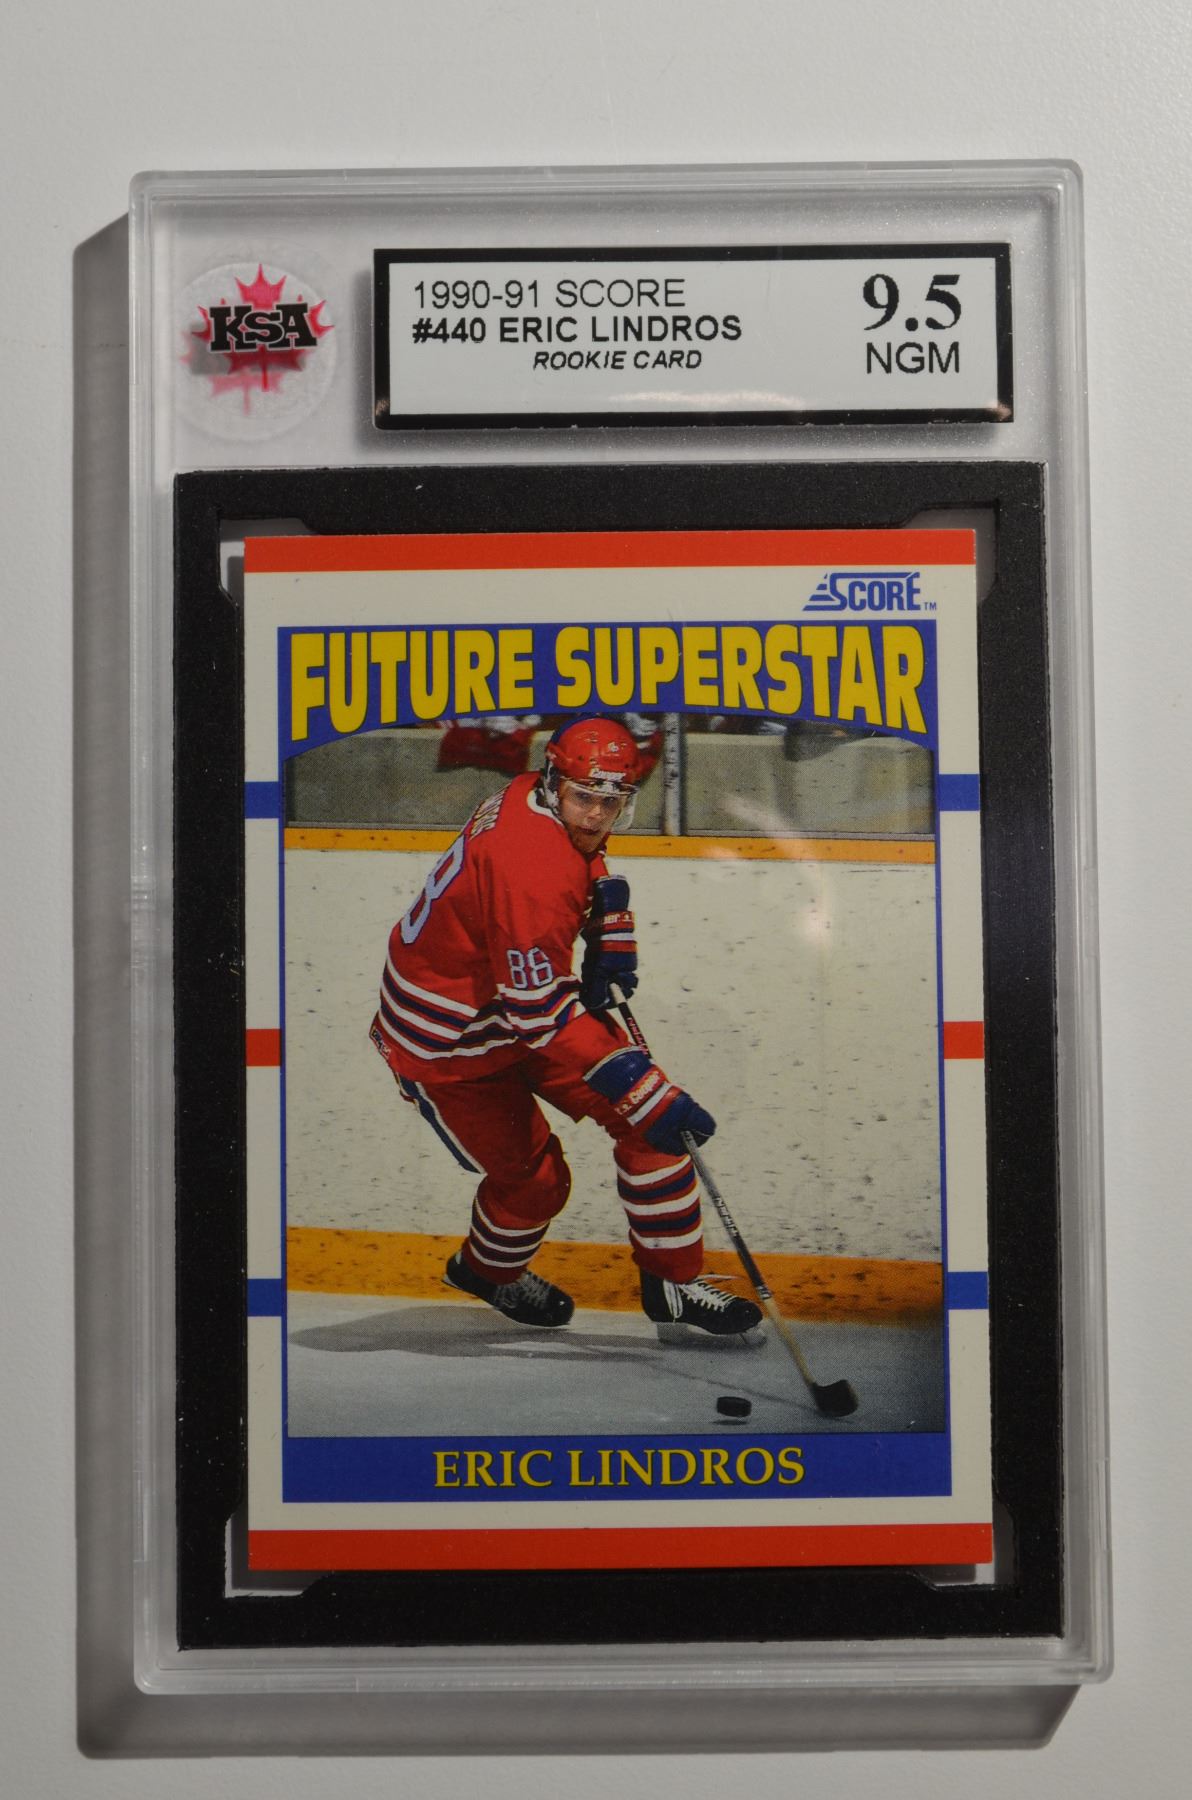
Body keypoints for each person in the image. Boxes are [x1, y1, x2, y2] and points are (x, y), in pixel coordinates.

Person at [369, 715, 762, 1338]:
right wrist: (639, 1086)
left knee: (651, 1128)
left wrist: (608, 916)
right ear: (556, 781)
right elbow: (540, 1012)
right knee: (540, 1181)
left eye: (613, 801)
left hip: (510, 1002)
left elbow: (582, 859)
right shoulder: (530, 863)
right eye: (585, 798)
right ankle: (485, 1271)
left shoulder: (532, 791)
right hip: (447, 1039)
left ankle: (674, 1283)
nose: (596, 816)